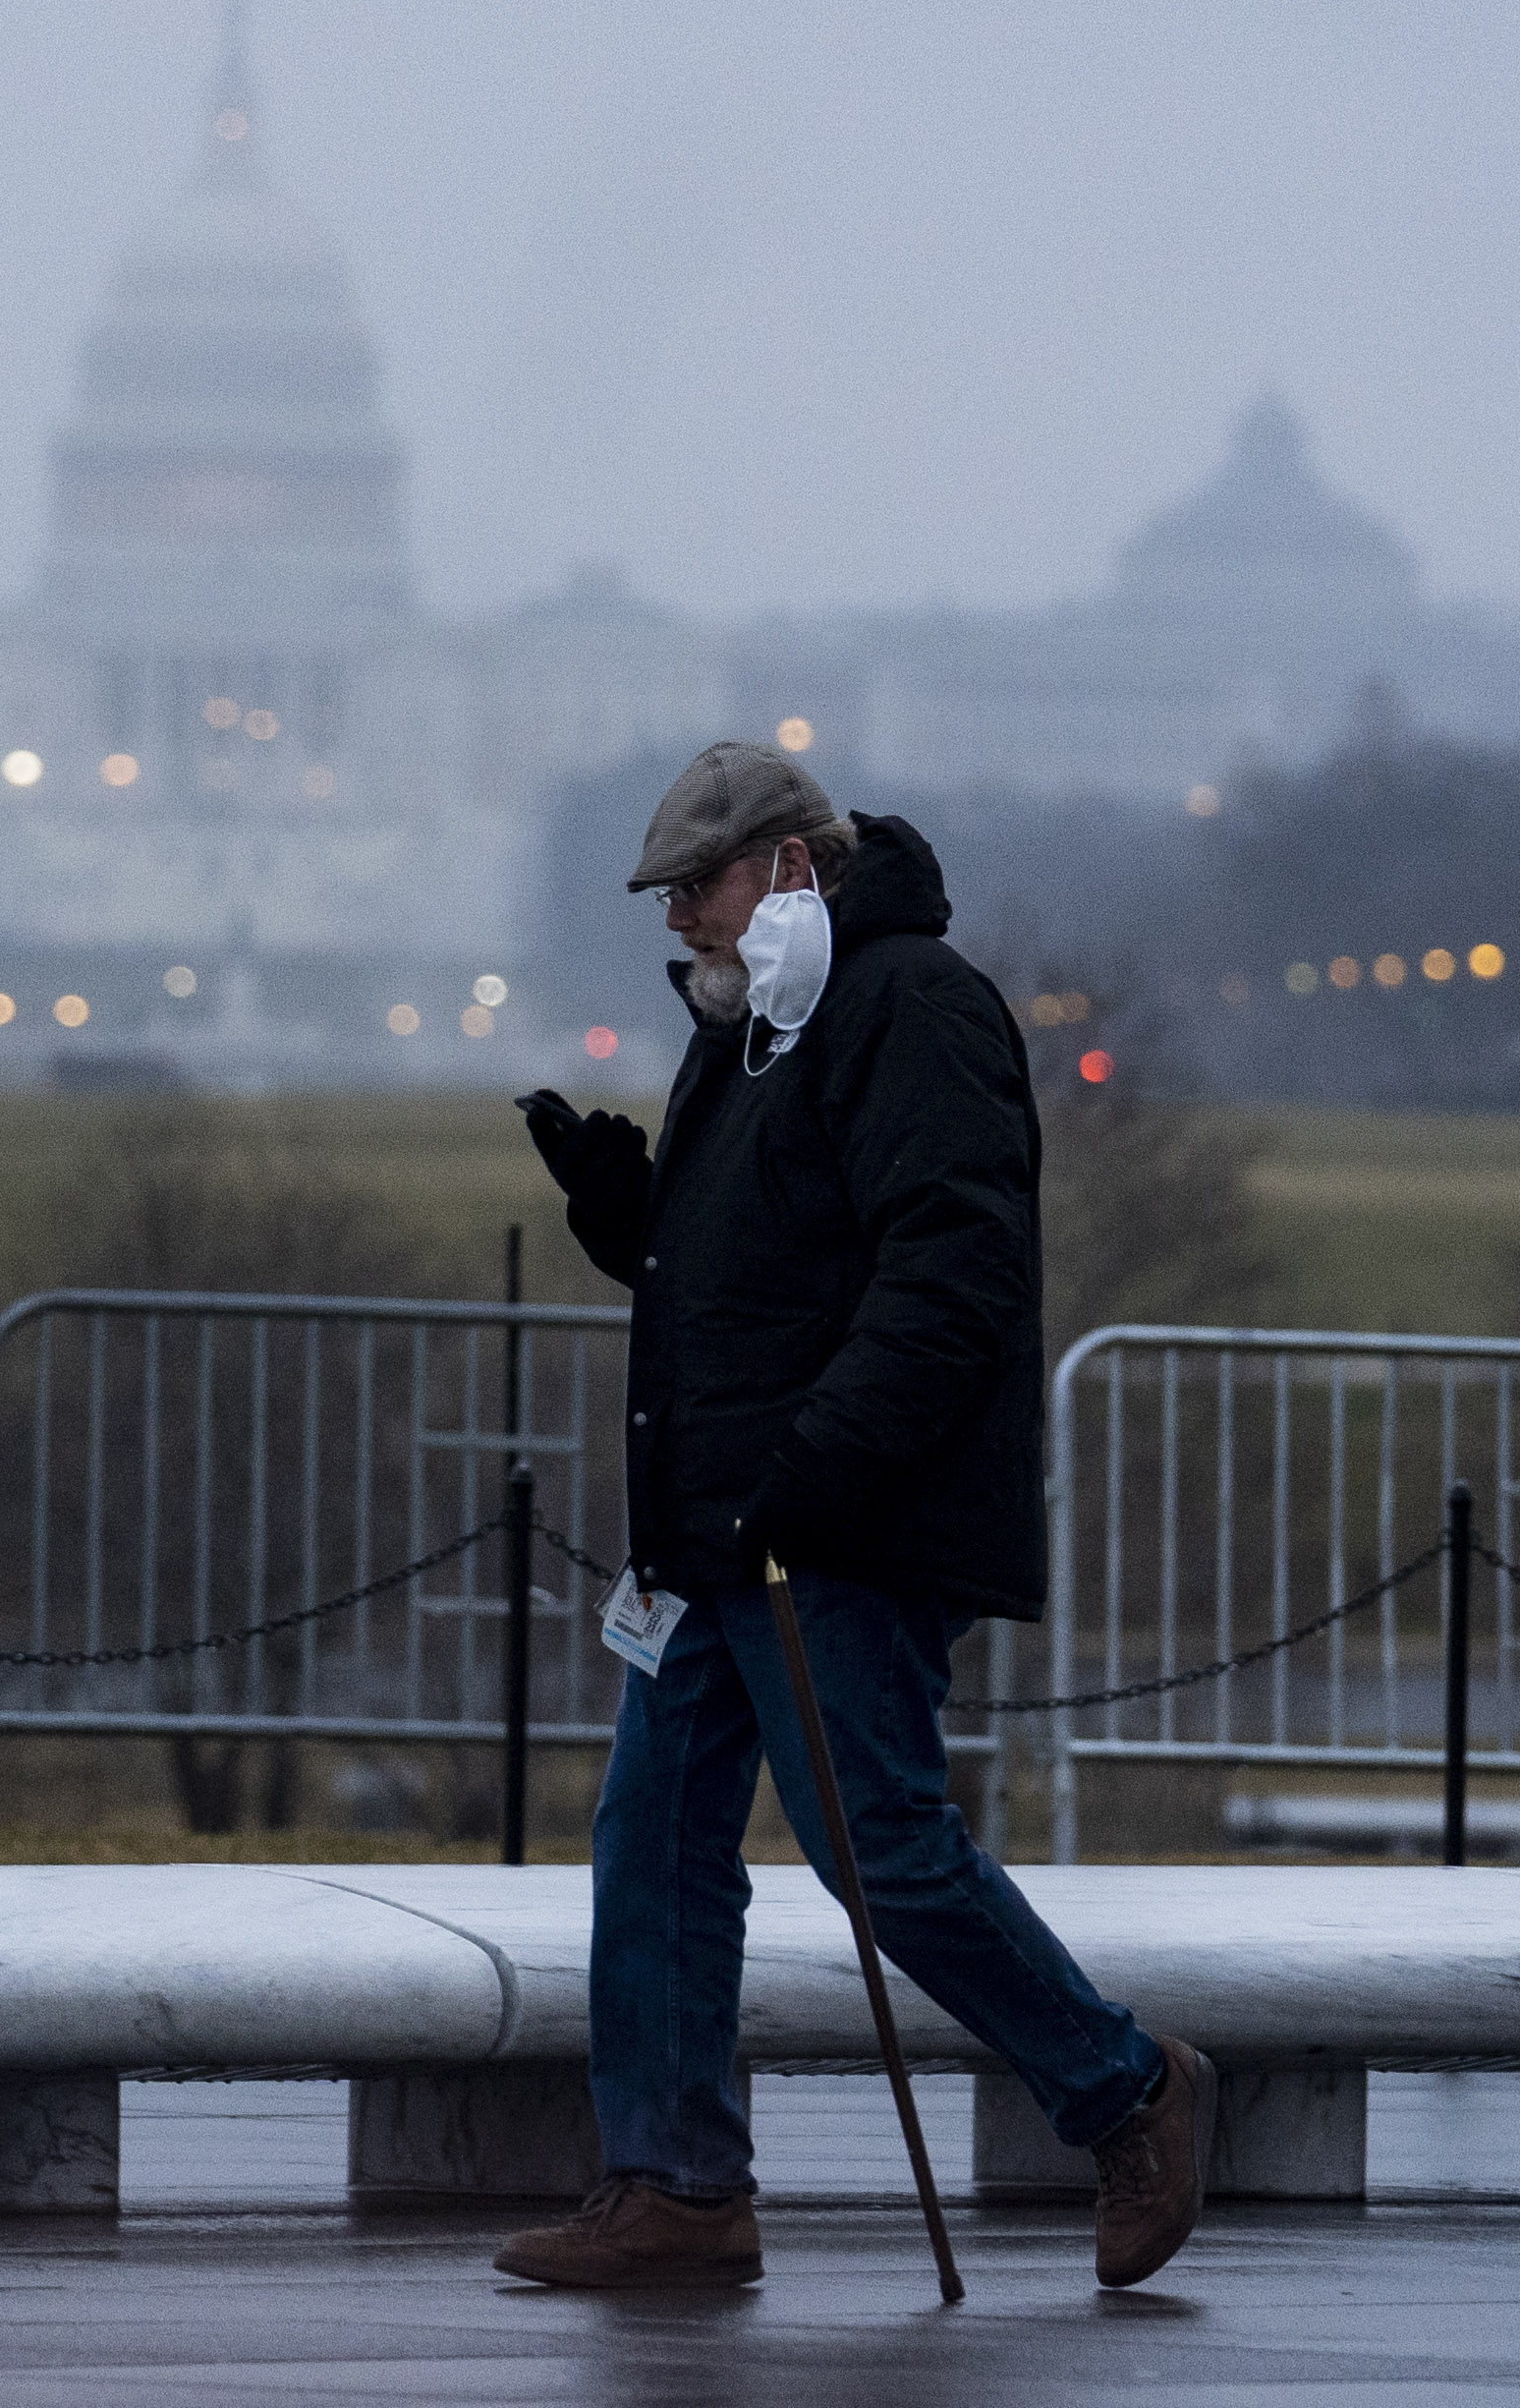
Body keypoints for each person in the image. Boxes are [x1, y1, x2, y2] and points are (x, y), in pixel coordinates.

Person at [495, 738, 1210, 2293]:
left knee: (874, 1846)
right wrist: (627, 1218)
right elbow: (753, 1276)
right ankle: (676, 2185)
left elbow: (950, 1271)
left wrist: (820, 1466)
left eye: (694, 885)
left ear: (791, 865)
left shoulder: (912, 1004)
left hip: (837, 1517)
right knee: (653, 1843)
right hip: (718, 1524)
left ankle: (1125, 2091)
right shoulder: (756, 1016)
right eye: (664, 894)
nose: (675, 916)